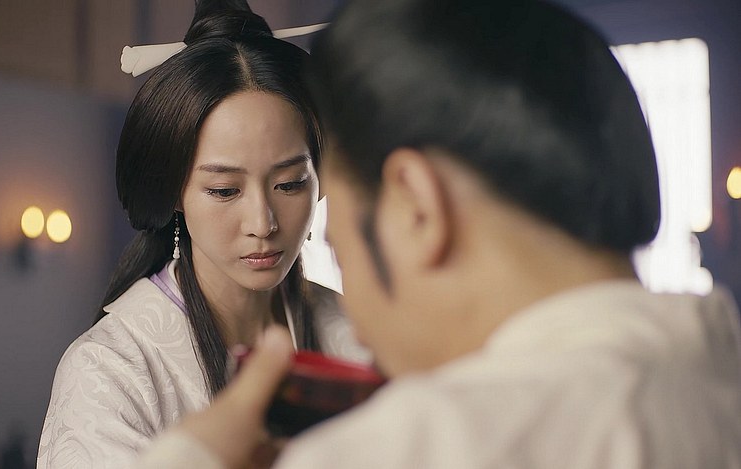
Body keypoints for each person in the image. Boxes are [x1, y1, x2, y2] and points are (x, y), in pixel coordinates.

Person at [127, 0, 741, 467]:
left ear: (417, 206)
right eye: (224, 189)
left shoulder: (410, 445)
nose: (359, 330)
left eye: (340, 247)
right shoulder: (719, 365)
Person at [36, 1, 368, 467]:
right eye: (224, 190)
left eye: (290, 183)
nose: (263, 223)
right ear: (175, 191)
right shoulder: (110, 371)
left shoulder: (359, 335)